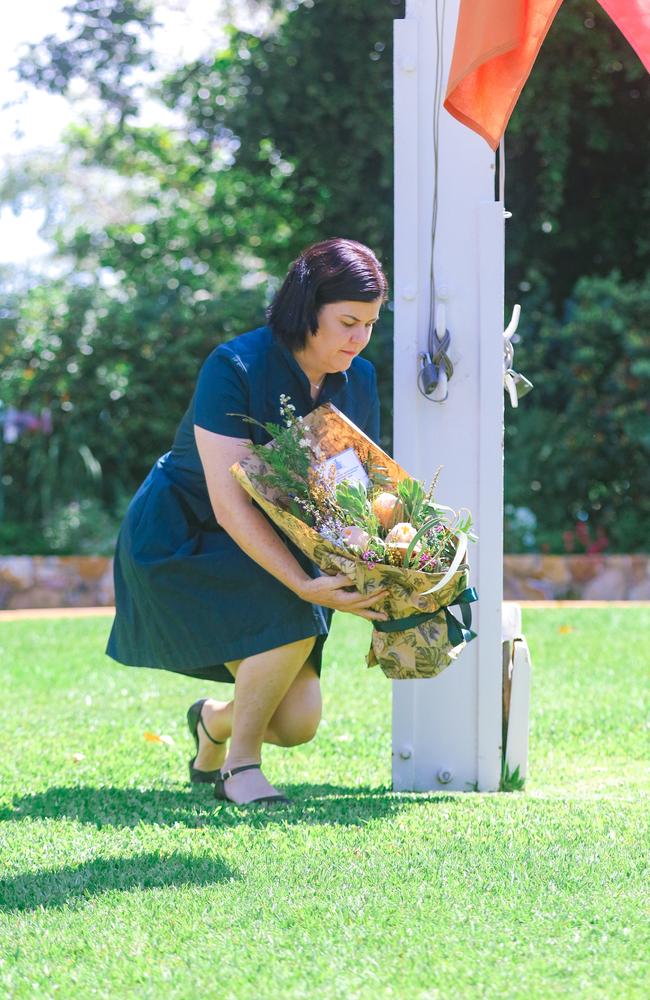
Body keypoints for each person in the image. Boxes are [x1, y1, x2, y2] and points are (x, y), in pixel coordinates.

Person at [106, 237, 390, 806]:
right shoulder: (233, 365)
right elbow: (229, 500)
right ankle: (241, 770)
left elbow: (363, 487)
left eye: (370, 324)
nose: (359, 340)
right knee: (295, 612)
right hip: (188, 535)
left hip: (275, 538)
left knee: (298, 723)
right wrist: (304, 584)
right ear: (308, 309)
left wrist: (389, 553)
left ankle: (214, 723)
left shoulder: (359, 379)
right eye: (348, 322)